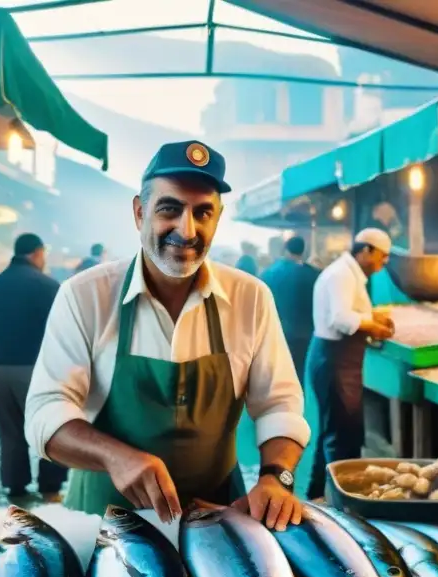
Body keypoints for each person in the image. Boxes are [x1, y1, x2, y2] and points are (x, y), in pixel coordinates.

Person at [25, 140, 309, 530]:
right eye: (170, 209)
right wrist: (115, 456)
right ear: (140, 213)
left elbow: (279, 405)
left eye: (203, 212)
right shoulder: (85, 295)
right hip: (104, 525)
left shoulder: (251, 298)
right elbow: (44, 411)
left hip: (221, 520)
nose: (186, 229)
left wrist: (276, 478)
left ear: (218, 218)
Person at [0, 233, 67, 502]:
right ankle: (50, 487)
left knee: (10, 430)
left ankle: (16, 487)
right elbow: (64, 331)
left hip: (1, 370)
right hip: (40, 369)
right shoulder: (49, 286)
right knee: (49, 426)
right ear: (38, 253)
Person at [306, 228, 395, 500]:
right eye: (382, 255)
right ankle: (343, 502)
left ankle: (317, 493)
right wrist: (375, 327)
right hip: (335, 360)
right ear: (365, 250)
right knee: (341, 434)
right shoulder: (342, 275)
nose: (385, 262)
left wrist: (372, 318)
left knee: (337, 429)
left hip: (339, 359)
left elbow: (350, 312)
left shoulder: (350, 274)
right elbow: (341, 319)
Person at [261, 234, 319, 380]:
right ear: (303, 252)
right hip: (304, 335)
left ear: (285, 249)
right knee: (297, 377)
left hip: (274, 332)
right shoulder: (312, 274)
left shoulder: (267, 273)